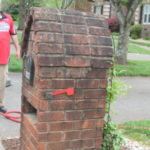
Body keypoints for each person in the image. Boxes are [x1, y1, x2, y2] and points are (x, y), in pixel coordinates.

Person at [0, 9, 20, 113]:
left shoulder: (8, 18)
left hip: (3, 56)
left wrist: (17, 49)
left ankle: (0, 104)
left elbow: (14, 34)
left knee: (2, 82)